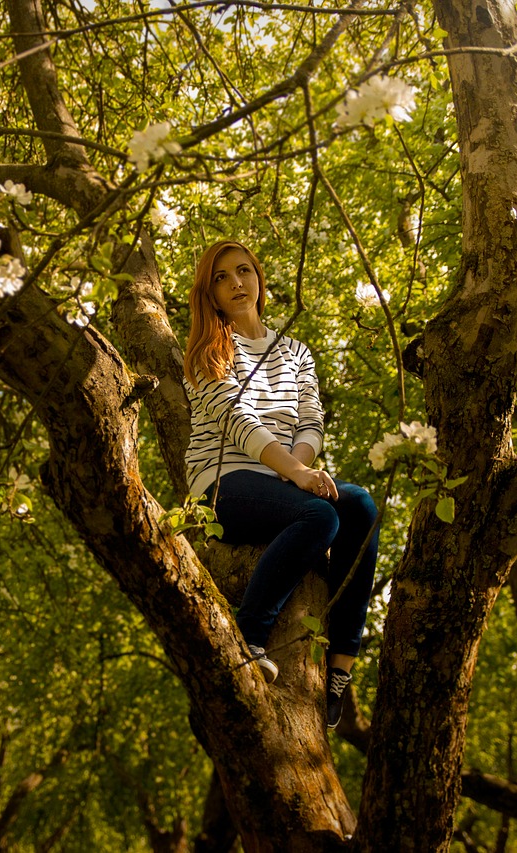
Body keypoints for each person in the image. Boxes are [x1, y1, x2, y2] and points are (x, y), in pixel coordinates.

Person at [183, 240, 380, 728]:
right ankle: (249, 637)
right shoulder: (209, 351)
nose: (236, 284)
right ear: (209, 293)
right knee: (321, 514)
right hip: (222, 484)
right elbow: (238, 424)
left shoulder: (294, 352)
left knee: (360, 506)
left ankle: (341, 665)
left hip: (284, 476)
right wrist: (297, 476)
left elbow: (311, 419)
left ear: (259, 278)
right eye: (222, 277)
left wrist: (298, 467)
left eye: (243, 271)